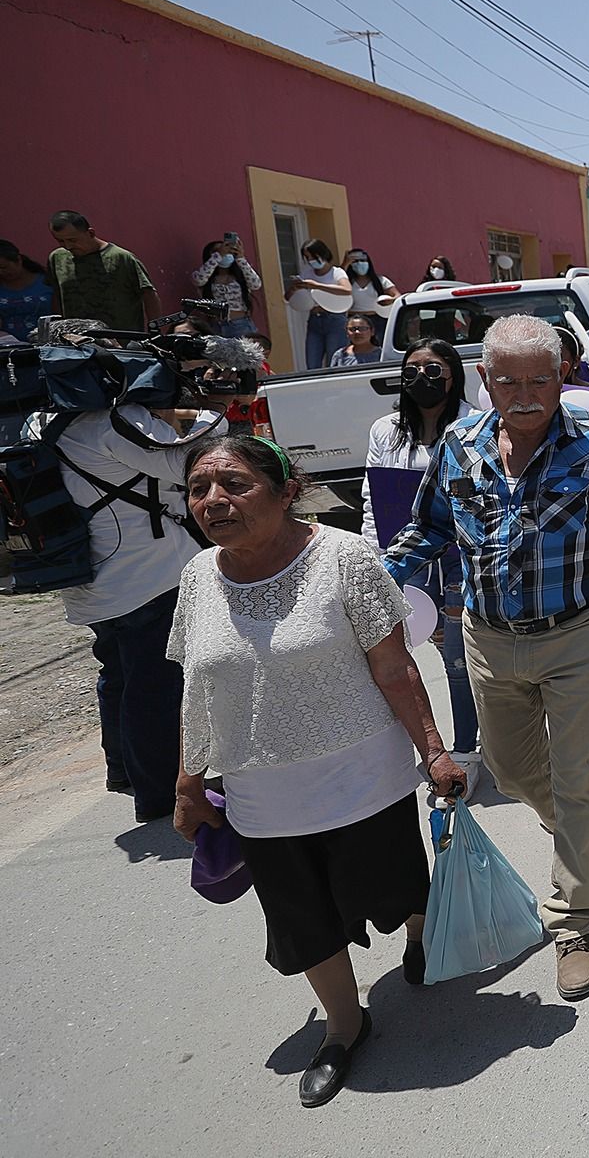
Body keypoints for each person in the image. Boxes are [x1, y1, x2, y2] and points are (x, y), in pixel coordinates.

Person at [384, 314, 589, 1002]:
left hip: (579, 635)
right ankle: (582, 830)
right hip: (486, 637)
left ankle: (572, 921)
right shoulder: (457, 444)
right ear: (483, 380)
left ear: (561, 378)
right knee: (512, 771)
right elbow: (424, 532)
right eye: (507, 379)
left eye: (538, 380)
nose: (523, 394)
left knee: (580, 780)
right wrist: (365, 578)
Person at [171, 435, 465, 1108]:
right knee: (303, 921)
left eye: (234, 484)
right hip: (261, 800)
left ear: (284, 489)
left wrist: (434, 751)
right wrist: (188, 782)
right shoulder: (197, 577)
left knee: (396, 891)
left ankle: (421, 930)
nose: (214, 500)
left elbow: (394, 666)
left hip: (364, 782)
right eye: (199, 488)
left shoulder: (344, 556)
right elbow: (197, 690)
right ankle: (343, 1023)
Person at [29, 385, 224, 820]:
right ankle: (157, 793)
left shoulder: (38, 425)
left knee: (119, 674)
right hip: (144, 575)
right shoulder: (108, 423)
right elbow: (187, 466)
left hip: (86, 575)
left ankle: (123, 771)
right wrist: (213, 411)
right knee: (155, 685)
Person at [362, 338, 481, 780]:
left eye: (433, 371)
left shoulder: (475, 425)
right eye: (411, 371)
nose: (421, 380)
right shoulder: (385, 429)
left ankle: (465, 747)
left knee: (456, 655)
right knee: (409, 649)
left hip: (460, 556)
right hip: (406, 555)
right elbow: (373, 499)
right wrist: (374, 559)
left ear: (452, 375)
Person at [48, 210, 157, 332]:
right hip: (77, 342)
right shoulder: (57, 258)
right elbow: (56, 296)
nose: (68, 246)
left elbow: (148, 294)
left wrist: (154, 331)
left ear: (90, 233)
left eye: (73, 240)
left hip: (121, 342)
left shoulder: (121, 258)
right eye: (60, 241)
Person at [287, 239, 351, 370]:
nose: (310, 260)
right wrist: (294, 288)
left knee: (335, 362)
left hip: (335, 319)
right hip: (314, 320)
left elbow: (346, 290)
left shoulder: (337, 272)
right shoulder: (306, 273)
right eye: (307, 257)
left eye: (312, 256)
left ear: (322, 254)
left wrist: (317, 286)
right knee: (312, 363)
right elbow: (288, 297)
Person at [190, 236, 263, 338]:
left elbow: (256, 284)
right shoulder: (206, 278)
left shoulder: (240, 277)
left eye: (228, 250)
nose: (225, 253)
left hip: (240, 325)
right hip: (216, 326)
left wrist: (240, 257)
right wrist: (218, 255)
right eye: (217, 250)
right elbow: (198, 280)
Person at [0, 239, 55, 343]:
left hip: (46, 345)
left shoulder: (46, 282)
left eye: (4, 267)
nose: (1, 272)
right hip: (8, 348)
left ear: (18, 260)